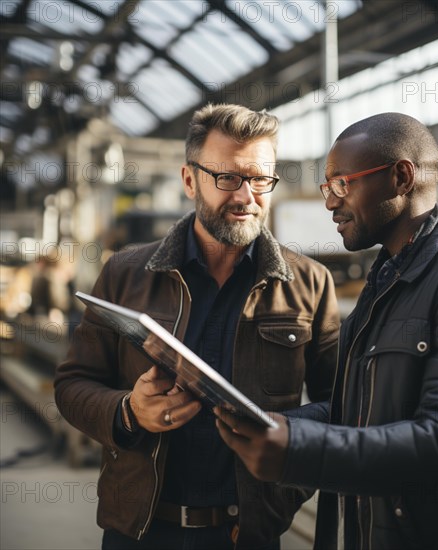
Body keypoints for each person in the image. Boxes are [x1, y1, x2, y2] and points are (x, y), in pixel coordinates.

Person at [215, 112, 438, 550]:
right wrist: (281, 425)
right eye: (329, 187)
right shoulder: (388, 279)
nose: (330, 202)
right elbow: (361, 409)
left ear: (402, 177)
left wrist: (300, 450)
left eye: (342, 184)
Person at [54, 104, 340, 550]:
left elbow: (339, 406)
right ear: (190, 180)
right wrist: (130, 412)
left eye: (261, 179)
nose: (246, 197)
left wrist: (284, 458)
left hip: (247, 534)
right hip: (141, 530)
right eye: (227, 178)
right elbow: (72, 385)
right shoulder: (125, 274)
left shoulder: (310, 284)